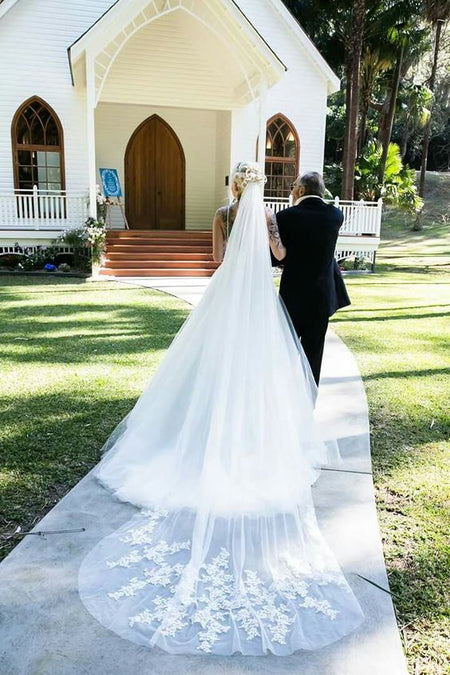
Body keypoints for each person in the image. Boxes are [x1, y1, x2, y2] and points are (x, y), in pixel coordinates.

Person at [78, 162, 363, 656]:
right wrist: (270, 246)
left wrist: (237, 267)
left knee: (209, 364)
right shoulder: (274, 221)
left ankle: (204, 424)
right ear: (258, 187)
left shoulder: (222, 213)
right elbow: (277, 257)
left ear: (233, 185)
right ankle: (250, 430)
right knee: (261, 369)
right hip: (260, 302)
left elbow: (216, 257)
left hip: (227, 295)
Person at [276, 172, 350, 386]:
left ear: (301, 190)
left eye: (293, 186)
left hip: (293, 295)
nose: (291, 190)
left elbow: (276, 257)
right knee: (314, 352)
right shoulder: (336, 215)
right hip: (322, 295)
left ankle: (285, 393)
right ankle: (309, 396)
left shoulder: (286, 217)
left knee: (286, 347)